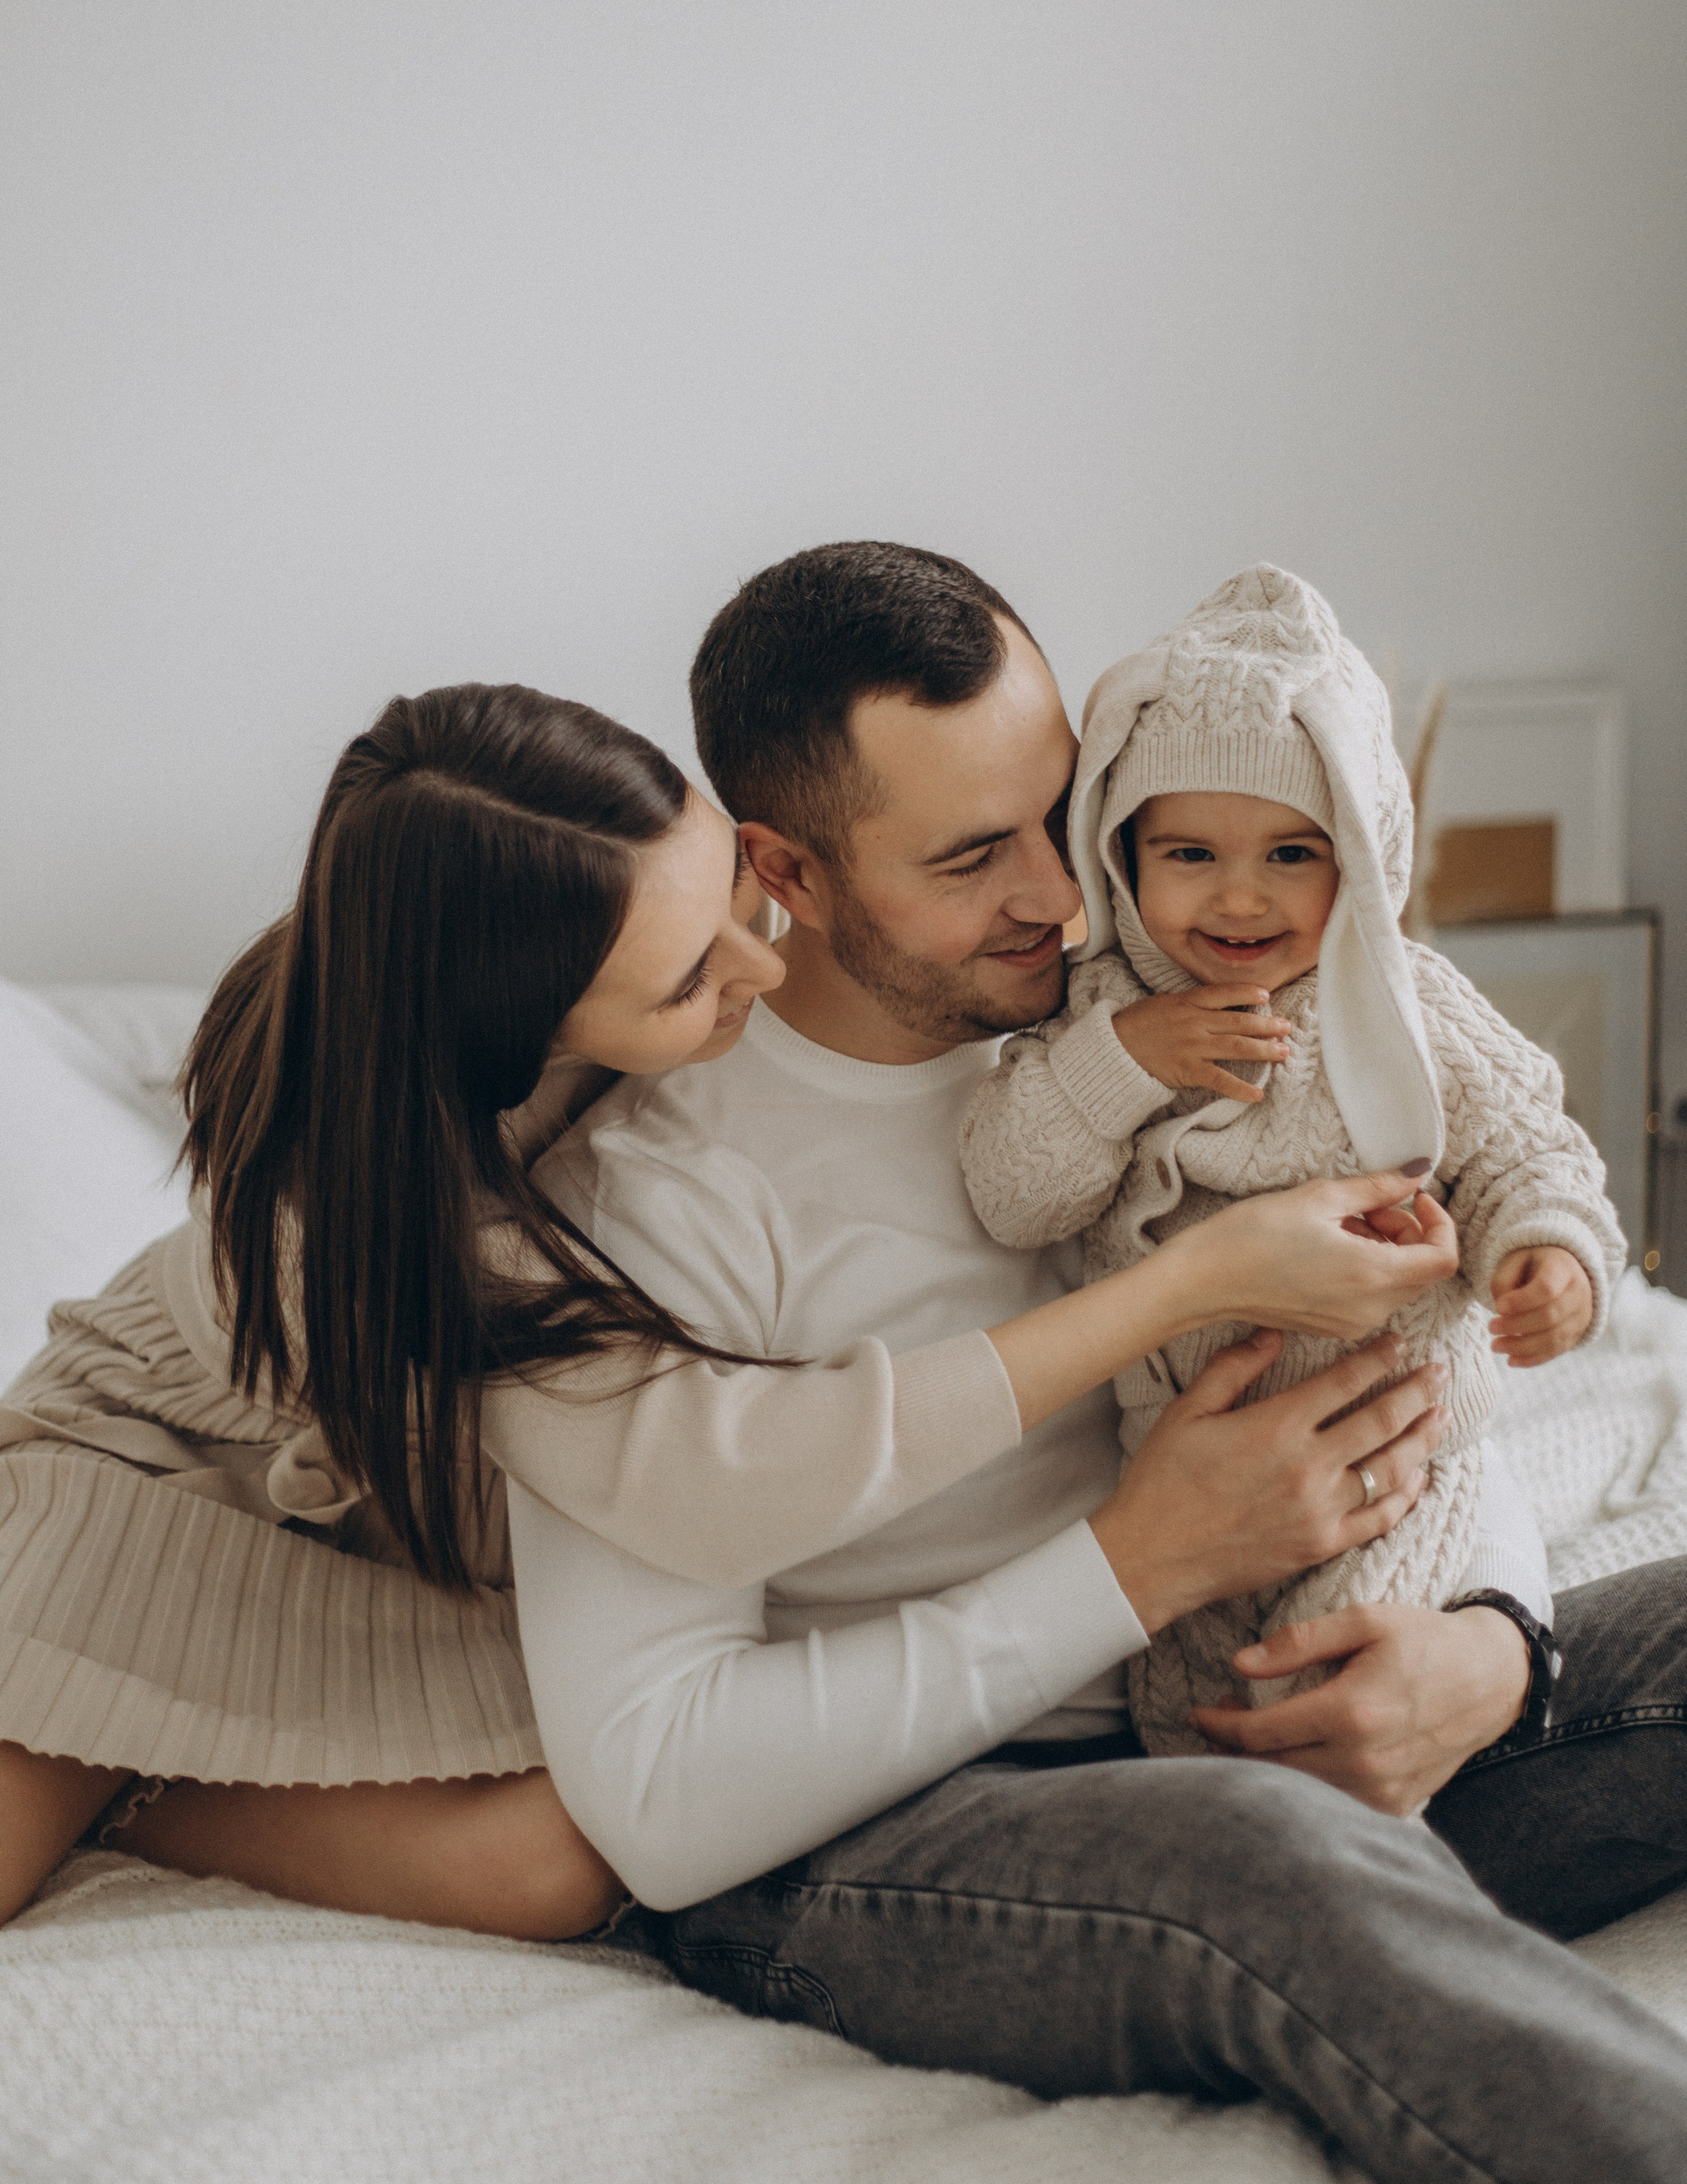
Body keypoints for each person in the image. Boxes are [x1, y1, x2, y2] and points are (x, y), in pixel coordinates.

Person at [511, 541, 1687, 2184]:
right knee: (1259, 1851)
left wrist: (1492, 1644)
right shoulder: (654, 1201)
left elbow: (1391, 1349)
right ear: (788, 870)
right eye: (971, 857)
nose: (1063, 897)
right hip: (883, 1834)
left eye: (1062, 817)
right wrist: (1140, 1563)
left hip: (1237, 1710)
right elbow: (661, 1802)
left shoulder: (1179, 1016)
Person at [0, 680, 1435, 1934]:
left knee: (569, 1847)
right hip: (139, 1493)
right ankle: (128, 1779)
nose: (766, 965)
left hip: (396, 1521)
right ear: (523, 1040)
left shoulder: (536, 917)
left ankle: (145, 1761)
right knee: (550, 1868)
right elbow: (727, 1479)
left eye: (740, 903)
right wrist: (1184, 1287)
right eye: (694, 980)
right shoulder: (443, 1231)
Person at [959, 563, 1623, 1754]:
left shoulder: (1404, 1003)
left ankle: (1377, 1837)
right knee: (1194, 1727)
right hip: (1184, 1476)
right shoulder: (1099, 1015)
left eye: (1291, 856)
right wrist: (1125, 1062)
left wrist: (1550, 1257)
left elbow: (1527, 1145)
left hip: (1400, 1452)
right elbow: (1014, 1195)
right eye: (1190, 854)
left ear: (1360, 856)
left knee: (1319, 1688)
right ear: (1120, 852)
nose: (1239, 899)